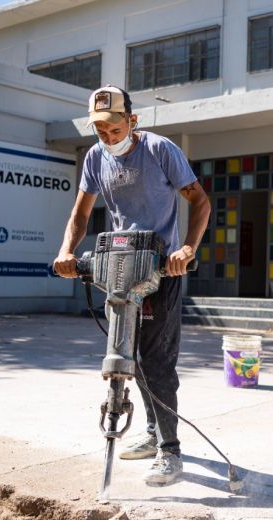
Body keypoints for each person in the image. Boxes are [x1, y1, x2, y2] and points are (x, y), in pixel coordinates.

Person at [53, 85, 211, 486]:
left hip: (162, 269)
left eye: (114, 129)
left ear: (132, 121)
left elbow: (200, 201)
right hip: (122, 266)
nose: (108, 138)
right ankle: (154, 432)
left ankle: (170, 452)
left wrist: (187, 249)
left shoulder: (160, 151)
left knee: (158, 362)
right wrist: (67, 252)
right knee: (129, 356)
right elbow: (81, 213)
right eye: (100, 131)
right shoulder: (95, 158)